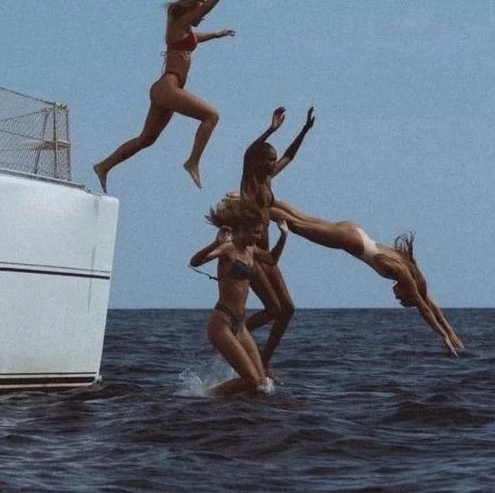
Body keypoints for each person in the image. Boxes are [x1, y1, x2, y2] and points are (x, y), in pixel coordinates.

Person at [242, 107, 464, 357]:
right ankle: (242, 207)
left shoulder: (409, 270)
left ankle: (261, 360)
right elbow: (424, 307)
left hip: (353, 230)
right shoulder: (403, 272)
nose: (397, 297)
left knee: (291, 216)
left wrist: (451, 332)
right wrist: (442, 336)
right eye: (402, 298)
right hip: (347, 239)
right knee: (294, 224)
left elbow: (428, 302)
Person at [93, 0, 244, 192]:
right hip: (168, 87)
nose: (202, 17)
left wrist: (217, 34)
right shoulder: (177, 25)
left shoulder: (186, 32)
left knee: (146, 139)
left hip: (165, 91)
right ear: (190, 11)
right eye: (199, 13)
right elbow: (204, 9)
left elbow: (198, 37)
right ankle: (192, 162)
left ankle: (103, 166)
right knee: (211, 116)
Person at [236, 106, 316, 375]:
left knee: (287, 309)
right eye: (269, 159)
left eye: (273, 160)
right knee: (272, 309)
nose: (273, 163)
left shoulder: (268, 179)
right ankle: (236, 333)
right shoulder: (249, 181)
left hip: (267, 254)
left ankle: (264, 361)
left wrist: (304, 130)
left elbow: (289, 156)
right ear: (258, 161)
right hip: (250, 253)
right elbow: (248, 153)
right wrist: (270, 129)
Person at [189, 199, 289, 396]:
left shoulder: (251, 250)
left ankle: (230, 405)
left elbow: (271, 259)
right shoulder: (228, 248)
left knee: (261, 383)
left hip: (240, 325)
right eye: (256, 232)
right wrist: (215, 243)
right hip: (221, 323)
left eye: (260, 233)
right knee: (251, 380)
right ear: (243, 229)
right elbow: (195, 261)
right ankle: (204, 397)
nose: (259, 237)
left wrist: (283, 236)